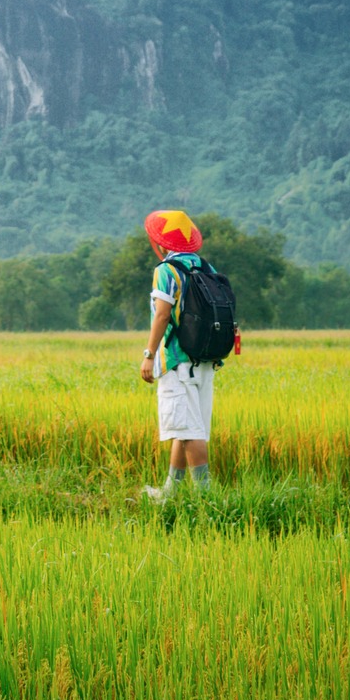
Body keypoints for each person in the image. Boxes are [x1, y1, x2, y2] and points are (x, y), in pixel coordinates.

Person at [139, 209, 215, 500]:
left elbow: (162, 315)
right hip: (204, 360)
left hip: (176, 359)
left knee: (189, 430)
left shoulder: (166, 270)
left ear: (161, 241)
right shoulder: (205, 267)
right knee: (186, 427)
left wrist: (149, 354)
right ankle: (171, 492)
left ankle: (206, 499)